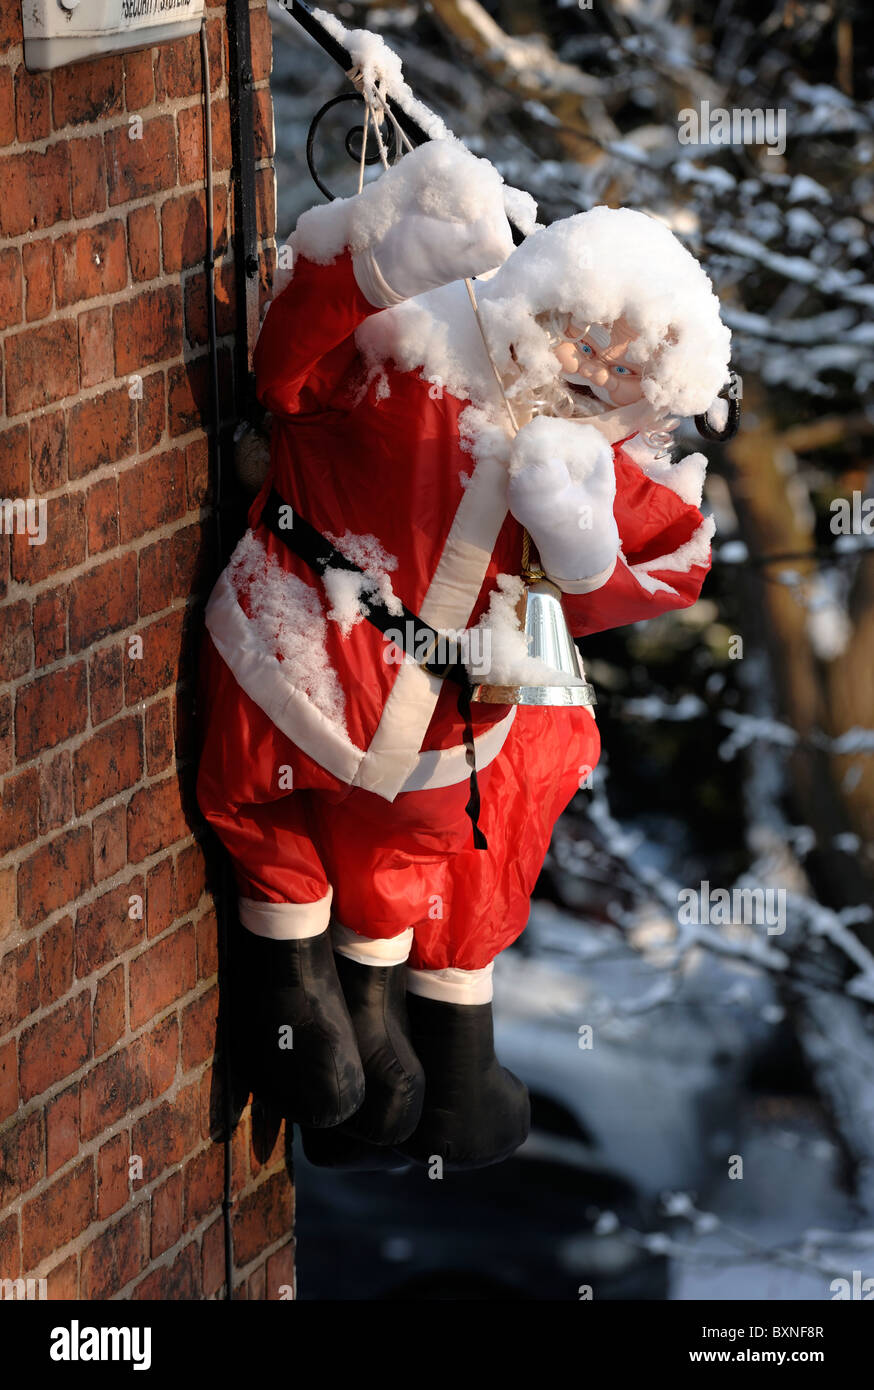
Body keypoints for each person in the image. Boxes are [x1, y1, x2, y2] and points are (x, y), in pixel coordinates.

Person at [196, 139, 731, 1169]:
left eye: (627, 368)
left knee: (398, 878)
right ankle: (304, 1007)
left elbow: (675, 561)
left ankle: (371, 1035)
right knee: (286, 844)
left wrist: (585, 550)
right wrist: (378, 266)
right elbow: (292, 367)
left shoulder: (595, 464)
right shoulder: (414, 359)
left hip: (437, 756)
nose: (596, 371)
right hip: (301, 672)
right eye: (590, 341)